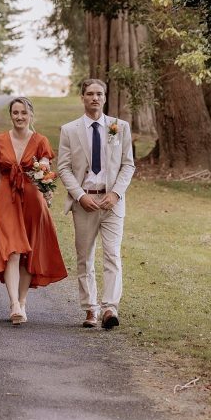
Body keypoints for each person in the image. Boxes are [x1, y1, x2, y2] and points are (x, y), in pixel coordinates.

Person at [57, 79, 135, 329]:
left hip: (111, 202)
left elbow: (128, 164)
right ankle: (90, 308)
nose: (95, 98)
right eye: (90, 94)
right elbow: (64, 168)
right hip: (85, 201)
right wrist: (80, 195)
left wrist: (116, 194)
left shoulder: (119, 127)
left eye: (99, 94)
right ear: (82, 97)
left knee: (112, 255)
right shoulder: (69, 130)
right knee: (85, 257)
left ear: (105, 97)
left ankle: (110, 308)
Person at [0, 98, 67, 325]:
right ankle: (13, 305)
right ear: (10, 114)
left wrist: (48, 190)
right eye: (15, 112)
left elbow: (45, 171)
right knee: (12, 250)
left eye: (23, 113)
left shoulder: (40, 141)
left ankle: (22, 300)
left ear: (31, 115)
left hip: (32, 201)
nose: (19, 117)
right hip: (6, 200)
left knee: (28, 253)